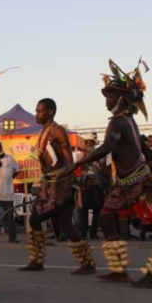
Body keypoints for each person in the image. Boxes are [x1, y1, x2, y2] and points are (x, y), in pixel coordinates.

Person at [69, 60, 152, 289]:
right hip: (126, 183)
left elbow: (107, 147)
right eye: (107, 96)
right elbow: (142, 146)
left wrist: (76, 164)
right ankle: (119, 270)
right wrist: (150, 161)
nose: (106, 101)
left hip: (138, 183)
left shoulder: (120, 120)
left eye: (111, 96)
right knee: (106, 219)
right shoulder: (128, 120)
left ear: (122, 99)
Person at [20, 99, 95, 274]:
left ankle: (38, 260)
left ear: (51, 112)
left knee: (36, 220)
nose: (37, 114)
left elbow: (68, 159)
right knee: (66, 224)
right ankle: (86, 262)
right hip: (49, 183)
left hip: (59, 184)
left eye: (40, 111)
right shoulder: (44, 132)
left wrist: (64, 182)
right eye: (36, 111)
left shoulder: (58, 131)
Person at [75, 135, 107, 239]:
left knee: (97, 210)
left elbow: (104, 171)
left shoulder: (100, 157)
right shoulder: (80, 156)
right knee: (82, 210)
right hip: (84, 186)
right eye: (87, 142)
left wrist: (99, 180)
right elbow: (76, 170)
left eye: (91, 143)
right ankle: (82, 232)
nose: (89, 144)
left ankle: (93, 232)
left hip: (96, 186)